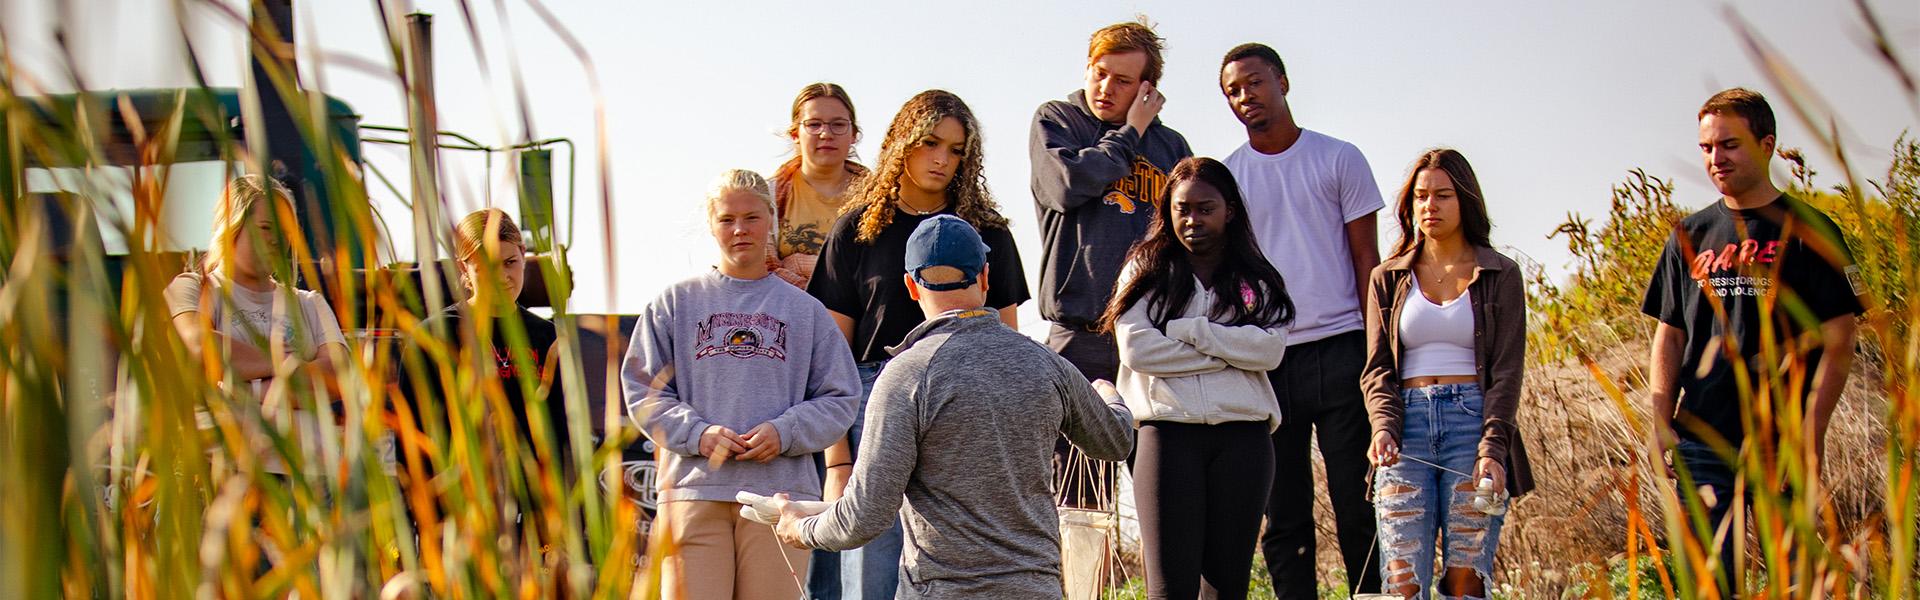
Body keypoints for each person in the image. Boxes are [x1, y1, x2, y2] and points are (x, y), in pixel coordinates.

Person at [774, 215, 1135, 599]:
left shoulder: (907, 376)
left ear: (911, 286)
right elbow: (1115, 442)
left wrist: (800, 527)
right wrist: (1108, 393)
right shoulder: (1045, 364)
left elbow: (864, 517)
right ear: (984, 278)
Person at [805, 89, 1031, 599]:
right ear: (901, 144)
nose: (941, 159)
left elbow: (1008, 349)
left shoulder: (988, 233)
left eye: (956, 150)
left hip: (968, 406)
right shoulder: (857, 232)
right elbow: (829, 363)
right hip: (872, 399)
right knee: (871, 569)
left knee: (961, 561)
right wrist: (838, 462)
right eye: (930, 143)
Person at [1640, 88, 1864, 592]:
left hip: (1778, 442)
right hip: (1699, 440)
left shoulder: (1811, 229)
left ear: (1766, 145)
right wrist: (1658, 420)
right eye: (1706, 148)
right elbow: (1668, 336)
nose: (1715, 159)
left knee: (1797, 582)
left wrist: (1808, 438)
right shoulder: (1688, 235)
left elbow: (1839, 341)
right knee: (1710, 584)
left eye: (1729, 145)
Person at [622, 169, 863, 600]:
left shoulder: (805, 311)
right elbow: (643, 390)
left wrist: (785, 432)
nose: (739, 230)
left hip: (779, 501)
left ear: (770, 219)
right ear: (711, 224)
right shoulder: (674, 303)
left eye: (751, 217)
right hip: (693, 492)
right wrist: (698, 434)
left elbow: (841, 397)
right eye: (727, 219)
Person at [1219, 42, 1386, 597]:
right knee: (1283, 515)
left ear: (1283, 82)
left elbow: (1369, 261)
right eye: (1232, 91)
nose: (1245, 97)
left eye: (1254, 82)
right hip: (1269, 358)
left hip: (1344, 348)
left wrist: (1379, 352)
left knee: (1359, 503)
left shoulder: (1340, 158)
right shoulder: (1229, 179)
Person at [1100, 157, 1292, 600]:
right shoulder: (1145, 270)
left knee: (1227, 589)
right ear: (1167, 210)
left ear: (1230, 210)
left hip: (1244, 439)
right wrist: (1230, 352)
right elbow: (1138, 350)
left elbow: (1270, 351)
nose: (1192, 220)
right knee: (1169, 589)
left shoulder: (1257, 278)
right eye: (1182, 208)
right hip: (1166, 437)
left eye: (1205, 208)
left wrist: (1192, 332)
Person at [1031, 18, 1193, 508]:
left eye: (1122, 81)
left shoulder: (1171, 148)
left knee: (1166, 497)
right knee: (1080, 502)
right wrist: (1129, 133)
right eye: (1099, 72)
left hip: (1154, 338)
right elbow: (1067, 185)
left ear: (1148, 89)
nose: (1105, 87)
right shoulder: (1058, 120)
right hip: (1080, 335)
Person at [1361, 149, 1535, 599]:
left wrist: (1493, 449)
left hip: (1472, 424)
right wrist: (1382, 426)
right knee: (1401, 583)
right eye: (1420, 196)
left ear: (1466, 202)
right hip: (1405, 430)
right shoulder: (1388, 278)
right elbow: (1377, 368)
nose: (1429, 207)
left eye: (1442, 195)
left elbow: (1507, 373)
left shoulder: (1501, 273)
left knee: (1467, 580)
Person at [166, 174, 348, 473]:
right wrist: (291, 362)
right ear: (232, 227)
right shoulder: (193, 289)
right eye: (265, 228)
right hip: (221, 483)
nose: (276, 239)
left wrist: (245, 387)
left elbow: (337, 375)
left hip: (307, 486)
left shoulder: (309, 303)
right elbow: (199, 346)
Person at [400, 208, 570, 470]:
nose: (502, 277)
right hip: (458, 496)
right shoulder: (433, 335)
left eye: (510, 262)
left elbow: (562, 433)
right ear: (463, 268)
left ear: (523, 255)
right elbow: (411, 432)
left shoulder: (548, 338)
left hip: (535, 499)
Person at [770, 82, 869, 289]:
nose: (826, 134)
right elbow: (762, 268)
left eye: (838, 124)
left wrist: (796, 264)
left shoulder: (878, 196)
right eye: (814, 124)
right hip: (788, 312)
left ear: (853, 135)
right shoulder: (769, 195)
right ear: (795, 134)